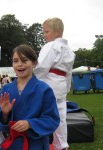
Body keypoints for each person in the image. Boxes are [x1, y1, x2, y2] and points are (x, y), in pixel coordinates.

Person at [0, 44, 60, 150]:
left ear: (34, 63)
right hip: (13, 143)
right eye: (15, 61)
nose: (19, 65)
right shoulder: (6, 90)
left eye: (24, 60)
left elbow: (52, 119)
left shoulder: (44, 90)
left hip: (36, 144)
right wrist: (4, 114)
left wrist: (30, 123)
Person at [34, 17, 75, 150]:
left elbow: (42, 67)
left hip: (49, 83)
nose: (44, 35)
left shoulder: (51, 46)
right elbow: (69, 73)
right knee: (61, 116)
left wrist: (30, 81)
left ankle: (37, 142)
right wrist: (67, 88)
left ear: (58, 32)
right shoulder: (69, 51)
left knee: (41, 112)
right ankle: (62, 144)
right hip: (61, 85)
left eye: (46, 32)